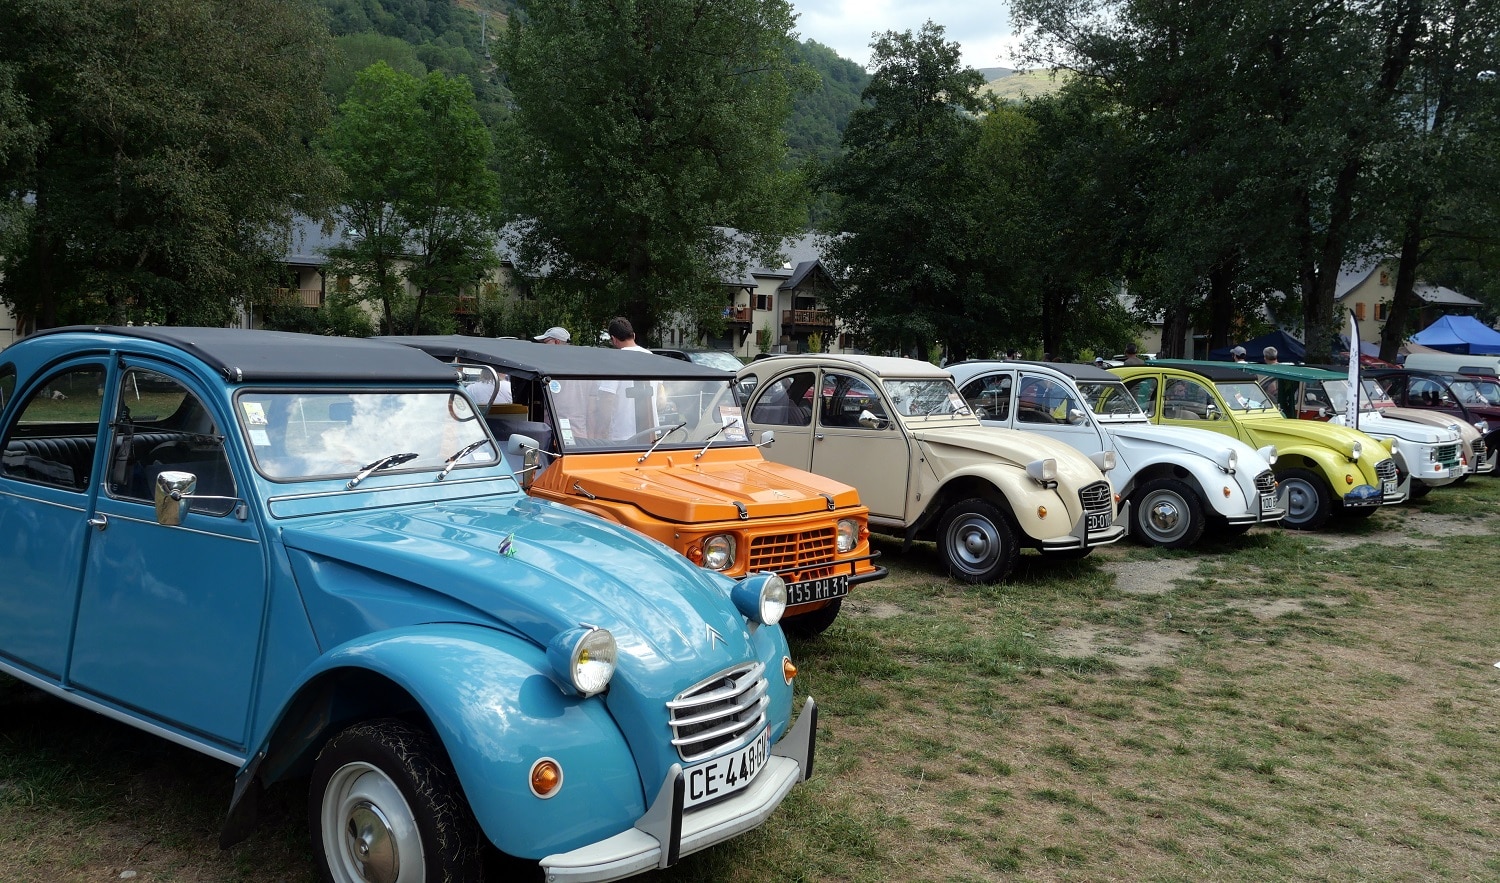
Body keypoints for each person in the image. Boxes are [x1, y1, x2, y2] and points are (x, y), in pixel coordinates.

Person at [596, 316, 659, 439]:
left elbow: (607, 399)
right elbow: (661, 398)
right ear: (633, 335)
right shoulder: (652, 357)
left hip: (623, 435)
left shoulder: (614, 360)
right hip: (650, 432)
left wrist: (603, 429)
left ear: (614, 339)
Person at [534, 326, 590, 442]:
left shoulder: (553, 367)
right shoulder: (582, 366)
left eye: (545, 342)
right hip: (578, 431)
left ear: (556, 342)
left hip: (556, 433)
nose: (543, 346)